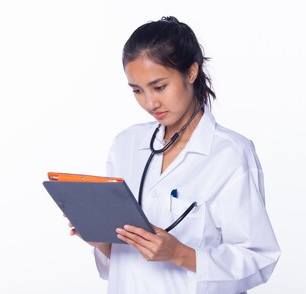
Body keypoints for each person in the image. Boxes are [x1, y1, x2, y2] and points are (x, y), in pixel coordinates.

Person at [69, 16, 280, 293]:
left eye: (159, 87)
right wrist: (100, 239)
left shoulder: (230, 153)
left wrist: (180, 253)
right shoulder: (126, 145)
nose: (149, 102)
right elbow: (121, 263)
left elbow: (258, 258)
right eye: (137, 91)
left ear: (191, 73)